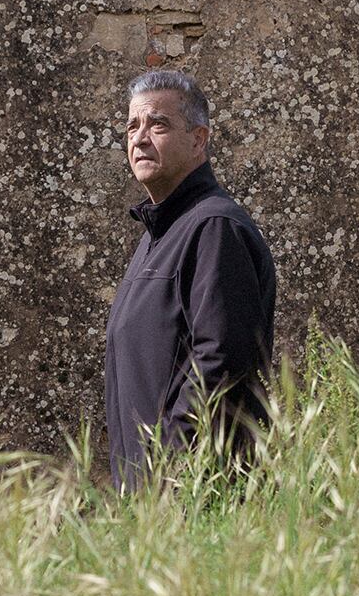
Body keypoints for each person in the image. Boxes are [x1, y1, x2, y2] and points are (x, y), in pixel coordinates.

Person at [103, 69, 277, 484]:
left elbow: (221, 365)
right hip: (150, 497)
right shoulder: (158, 236)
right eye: (132, 126)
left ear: (199, 139)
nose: (140, 138)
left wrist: (168, 472)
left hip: (195, 494)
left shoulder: (214, 228)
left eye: (157, 124)